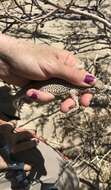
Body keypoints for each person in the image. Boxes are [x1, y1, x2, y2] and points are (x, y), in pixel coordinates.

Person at [0, 33, 96, 190]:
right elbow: (73, 94)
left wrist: (6, 53)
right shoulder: (75, 88)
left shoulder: (74, 86)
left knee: (61, 174)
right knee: (60, 176)